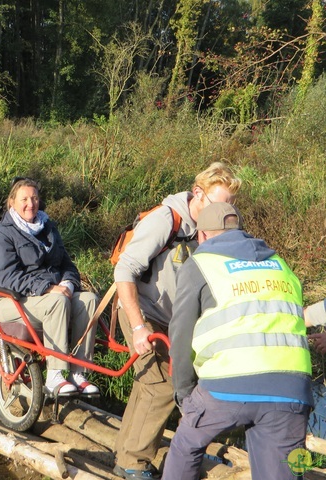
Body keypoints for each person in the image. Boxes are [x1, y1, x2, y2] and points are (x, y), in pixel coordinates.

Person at [164, 202, 312, 480]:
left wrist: (184, 393)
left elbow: (181, 334)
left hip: (226, 386)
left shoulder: (200, 264)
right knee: (284, 472)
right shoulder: (280, 263)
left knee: (186, 444)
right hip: (292, 391)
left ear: (203, 236)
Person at [113, 162, 241, 479]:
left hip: (173, 320)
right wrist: (139, 325)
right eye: (218, 203)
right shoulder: (164, 220)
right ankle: (134, 462)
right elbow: (124, 271)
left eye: (229, 206)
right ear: (198, 193)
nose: (224, 212)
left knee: (149, 382)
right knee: (161, 384)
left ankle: (126, 454)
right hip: (141, 310)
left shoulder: (214, 226)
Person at [0, 178, 100, 396]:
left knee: (89, 300)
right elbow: (8, 277)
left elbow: (66, 264)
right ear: (12, 203)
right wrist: (47, 287)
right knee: (57, 301)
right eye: (24, 199)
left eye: (35, 198)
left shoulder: (48, 227)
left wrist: (67, 283)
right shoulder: (0, 234)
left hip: (46, 297)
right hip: (8, 300)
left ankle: (78, 373)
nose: (31, 203)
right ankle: (55, 375)